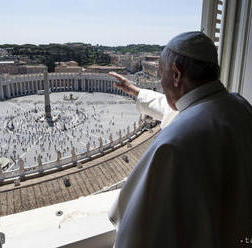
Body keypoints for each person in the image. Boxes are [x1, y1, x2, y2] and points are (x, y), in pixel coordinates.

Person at [107, 31, 252, 248]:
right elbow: (185, 108)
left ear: (176, 73)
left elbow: (137, 229)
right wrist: (136, 91)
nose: (159, 81)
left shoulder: (172, 144)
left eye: (160, 73)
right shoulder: (240, 105)